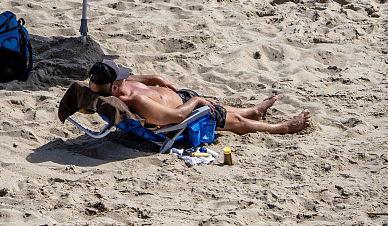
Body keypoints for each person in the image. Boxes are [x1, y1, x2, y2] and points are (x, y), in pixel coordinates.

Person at [86, 59, 310, 135]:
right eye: (121, 78)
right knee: (233, 121)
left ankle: (253, 111)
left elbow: (134, 78)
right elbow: (174, 117)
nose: (127, 77)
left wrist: (154, 78)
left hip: (182, 98)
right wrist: (197, 102)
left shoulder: (113, 86)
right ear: (114, 89)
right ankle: (283, 127)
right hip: (189, 116)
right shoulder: (137, 101)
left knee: (221, 107)